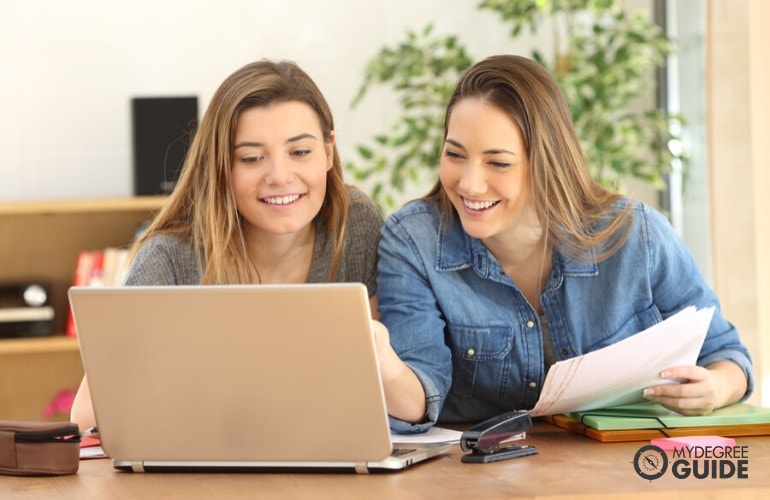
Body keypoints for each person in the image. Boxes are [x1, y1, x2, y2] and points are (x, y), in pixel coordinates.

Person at [372, 54, 753, 432]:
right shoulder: (413, 241)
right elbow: (418, 396)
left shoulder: (637, 236)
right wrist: (379, 356)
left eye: (498, 163)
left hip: (624, 472)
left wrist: (716, 388)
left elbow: (726, 355)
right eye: (455, 154)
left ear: (546, 161)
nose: (469, 184)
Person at [70, 60, 384, 431]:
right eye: (251, 158)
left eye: (300, 152)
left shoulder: (357, 225)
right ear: (221, 166)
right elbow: (87, 419)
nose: (280, 177)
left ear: (328, 152)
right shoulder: (172, 258)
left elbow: (378, 388)